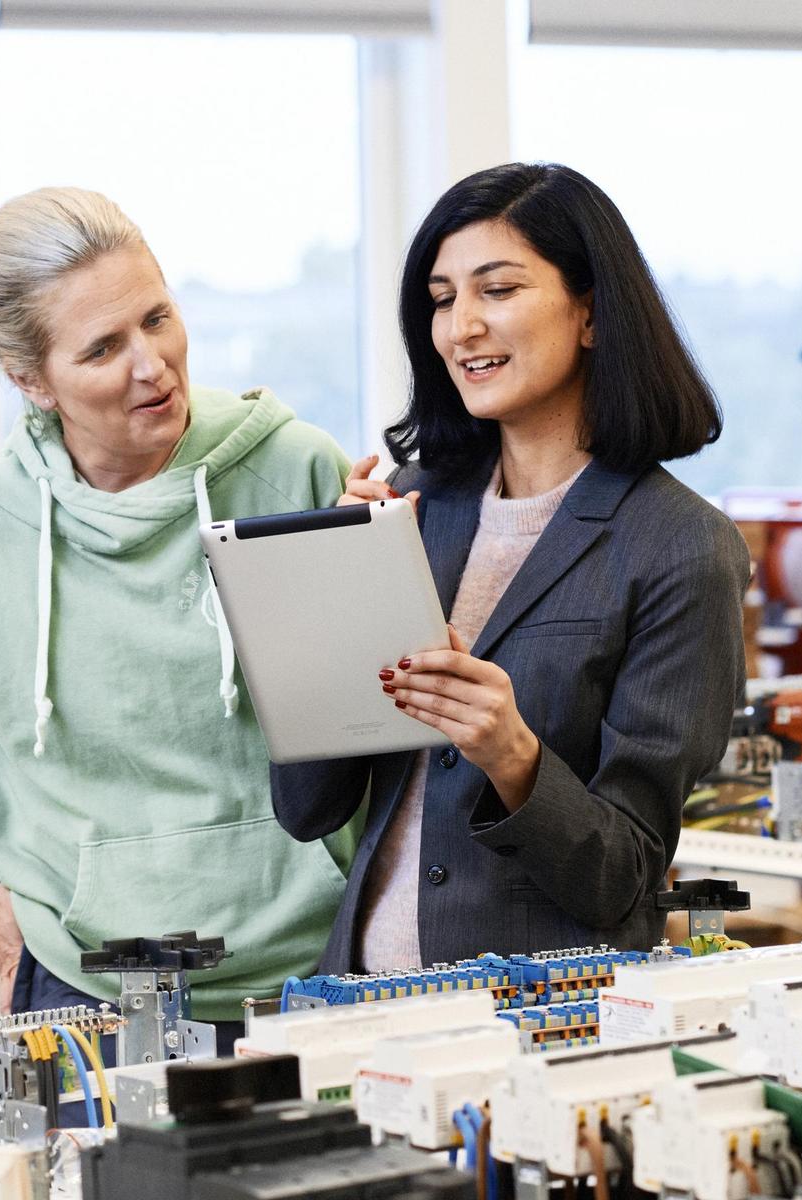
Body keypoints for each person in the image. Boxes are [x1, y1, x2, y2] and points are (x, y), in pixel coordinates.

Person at [0, 187, 356, 1045]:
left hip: (316, 969)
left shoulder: (296, 472)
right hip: (83, 983)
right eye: (104, 347)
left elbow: (385, 709)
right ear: (33, 381)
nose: (153, 365)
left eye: (158, 318)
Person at [272, 162, 750, 973]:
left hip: (546, 1023)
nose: (462, 328)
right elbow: (308, 809)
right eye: (443, 297)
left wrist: (515, 758)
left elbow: (625, 877)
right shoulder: (411, 509)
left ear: (592, 313)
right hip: (358, 1004)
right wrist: (335, 601)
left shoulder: (682, 547)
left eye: (497, 290)